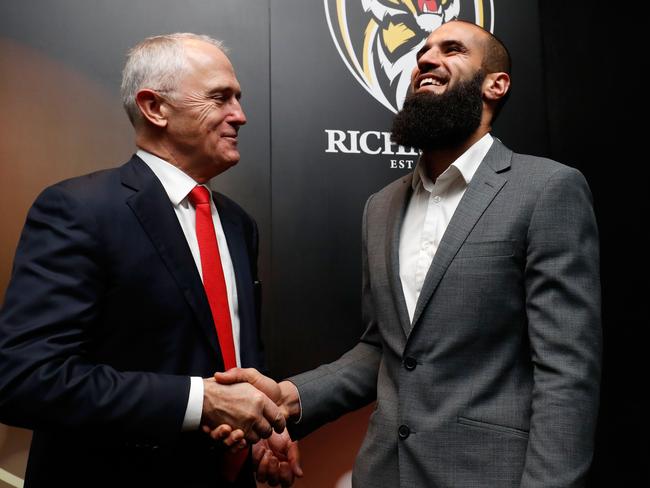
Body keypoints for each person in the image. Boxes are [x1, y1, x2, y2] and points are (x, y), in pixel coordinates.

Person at [215, 20, 601, 487]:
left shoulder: (546, 189)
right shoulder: (381, 207)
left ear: (496, 84)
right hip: (384, 473)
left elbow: (566, 371)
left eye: (452, 49)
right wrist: (287, 397)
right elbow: (385, 350)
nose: (426, 59)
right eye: (423, 51)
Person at [0, 33, 301, 488]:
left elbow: (234, 356)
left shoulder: (240, 225)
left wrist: (260, 429)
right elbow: (27, 378)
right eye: (220, 98)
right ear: (155, 108)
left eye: (238, 98)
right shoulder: (79, 210)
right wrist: (200, 401)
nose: (240, 115)